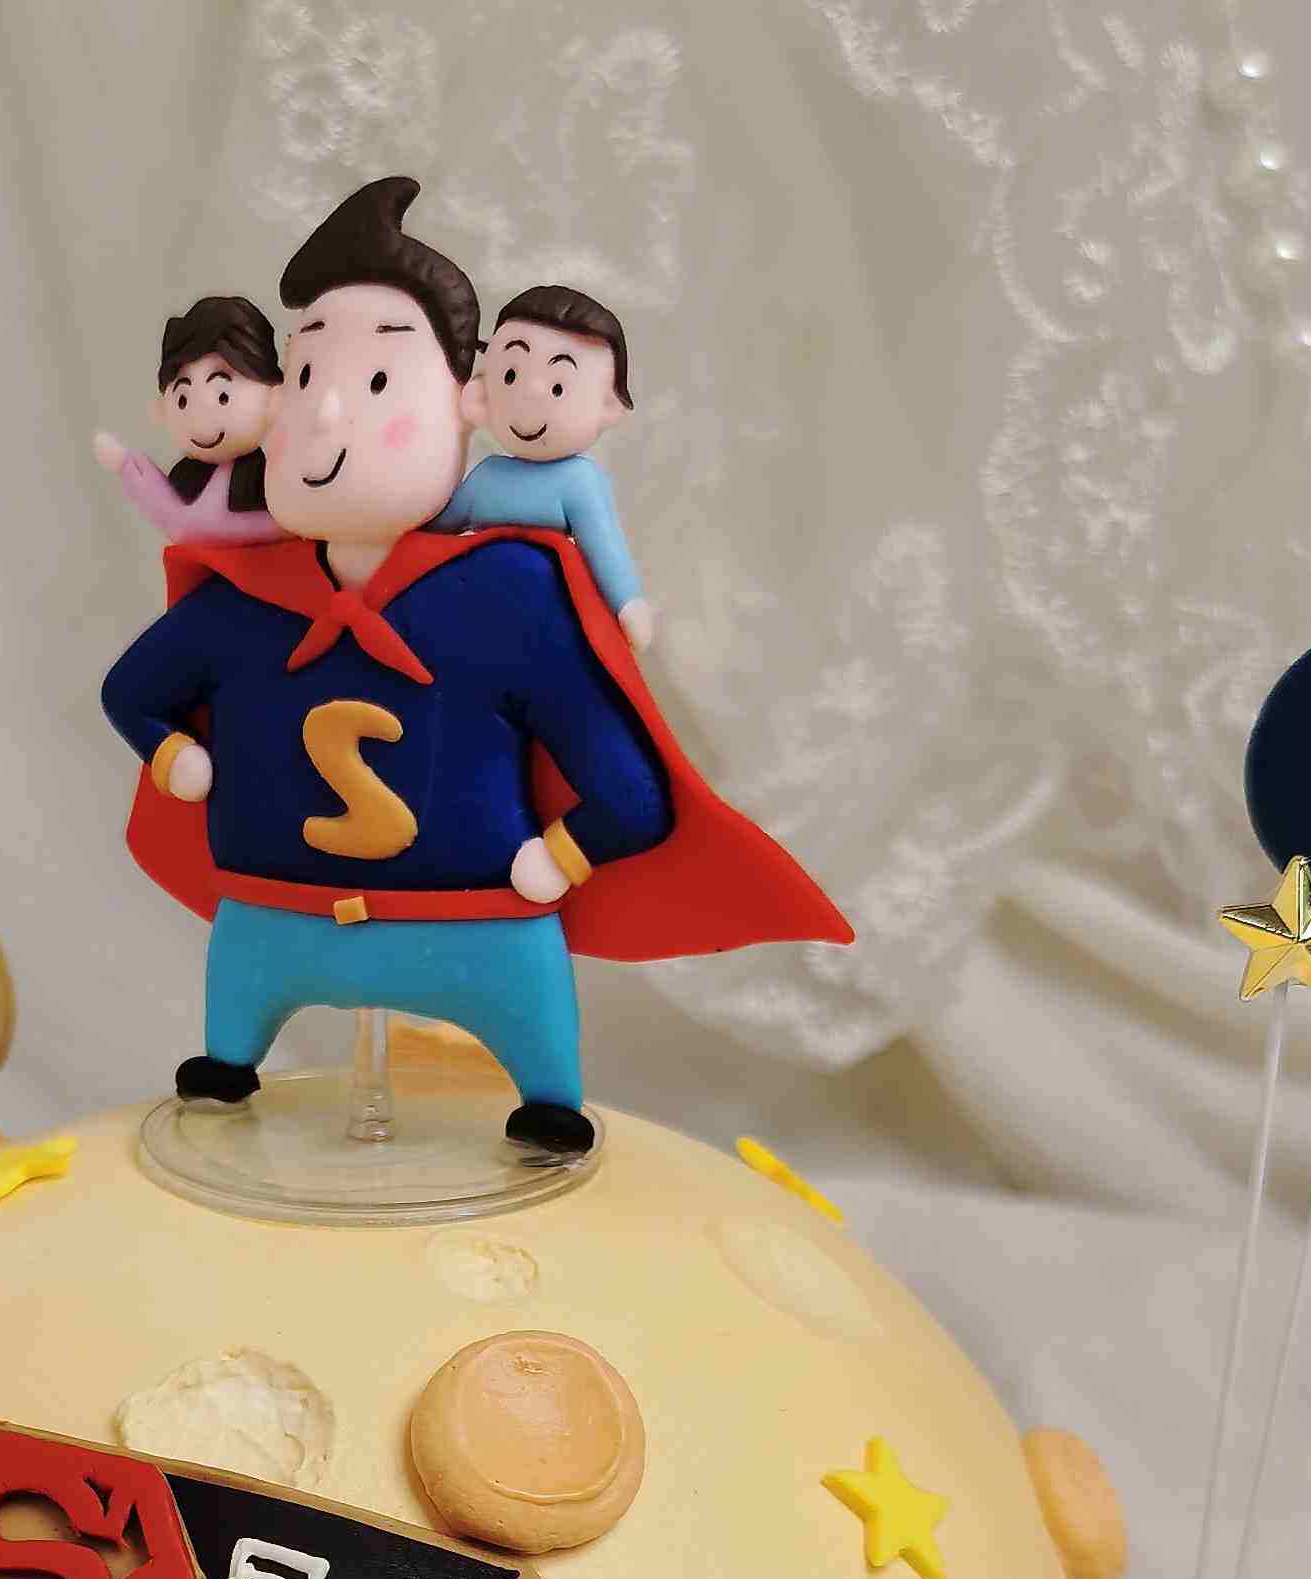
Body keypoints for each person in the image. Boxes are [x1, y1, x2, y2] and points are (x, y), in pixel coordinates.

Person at [99, 178, 848, 1156]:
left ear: (470, 405)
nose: (327, 412)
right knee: (228, 1047)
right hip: (271, 914)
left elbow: (630, 792)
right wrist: (170, 756)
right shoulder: (245, 594)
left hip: (479, 922)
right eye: (307, 371)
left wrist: (561, 856)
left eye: (376, 381)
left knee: (540, 1073)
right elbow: (132, 693)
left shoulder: (506, 588)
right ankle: (233, 1052)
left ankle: (543, 1088)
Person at [433, 286, 653, 648]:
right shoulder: (487, 476)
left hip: (549, 628)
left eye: (558, 387)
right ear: (482, 393)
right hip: (473, 618)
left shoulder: (579, 481)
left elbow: (605, 546)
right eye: (510, 376)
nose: (529, 398)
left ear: (608, 407)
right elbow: (434, 532)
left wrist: (627, 602)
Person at [91, 296, 285, 546]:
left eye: (223, 396)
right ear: (162, 409)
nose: (201, 420)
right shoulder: (188, 479)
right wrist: (125, 463)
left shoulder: (269, 477)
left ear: (274, 396)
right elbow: (163, 504)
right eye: (183, 399)